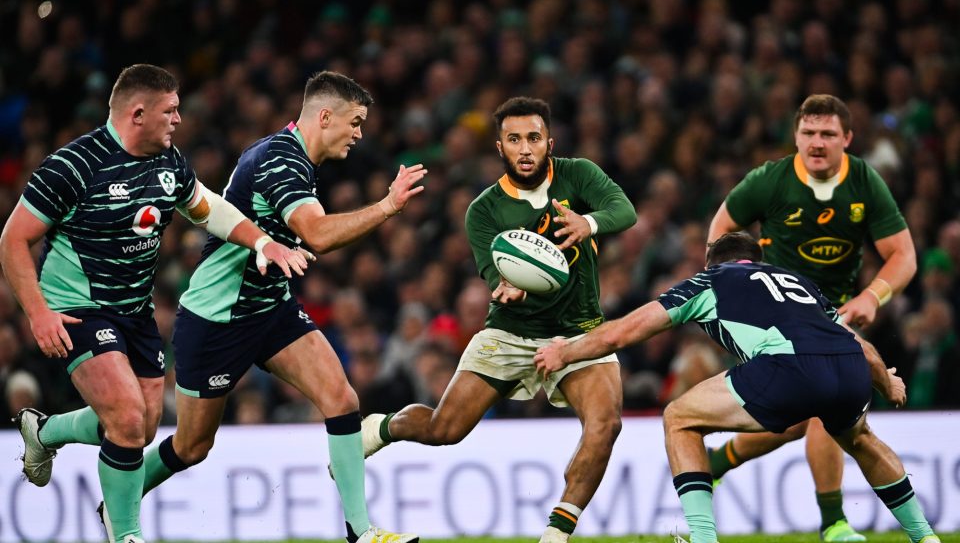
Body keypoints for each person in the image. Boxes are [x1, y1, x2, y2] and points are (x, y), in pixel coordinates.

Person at [107, 71, 424, 543]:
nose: (359, 133)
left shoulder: (294, 157)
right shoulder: (281, 161)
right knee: (192, 446)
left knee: (342, 399)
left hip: (269, 307)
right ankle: (117, 505)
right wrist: (386, 207)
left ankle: (361, 531)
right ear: (324, 116)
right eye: (355, 122)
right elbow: (315, 232)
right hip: (216, 318)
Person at [0, 64, 307, 543]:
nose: (179, 119)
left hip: (135, 312)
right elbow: (12, 239)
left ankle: (46, 432)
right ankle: (127, 535)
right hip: (77, 307)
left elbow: (207, 206)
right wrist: (38, 312)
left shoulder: (169, 162)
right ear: (137, 114)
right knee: (124, 418)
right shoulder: (74, 166)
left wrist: (263, 243)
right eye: (171, 110)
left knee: (141, 429)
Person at [534, 232, 939, 543]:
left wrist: (565, 353)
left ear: (714, 262)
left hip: (788, 366)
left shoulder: (710, 281)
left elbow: (623, 332)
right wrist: (887, 380)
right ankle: (926, 536)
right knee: (862, 438)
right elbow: (857, 344)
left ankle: (703, 537)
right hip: (848, 368)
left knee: (679, 418)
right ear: (755, 260)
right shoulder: (797, 281)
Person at [358, 97, 637, 543]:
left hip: (579, 330)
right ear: (499, 147)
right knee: (443, 429)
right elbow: (492, 269)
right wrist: (505, 283)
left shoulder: (579, 174)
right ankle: (380, 427)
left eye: (533, 138)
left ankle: (556, 535)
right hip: (510, 331)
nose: (525, 148)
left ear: (550, 141)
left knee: (606, 423)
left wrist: (589, 223)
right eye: (514, 140)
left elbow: (625, 211)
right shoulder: (484, 210)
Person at [704, 94, 917, 542]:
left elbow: (903, 255)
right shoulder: (769, 181)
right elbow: (720, 232)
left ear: (848, 139)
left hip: (836, 310)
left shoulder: (864, 181)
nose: (816, 143)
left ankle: (719, 464)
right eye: (808, 133)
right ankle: (834, 523)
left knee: (804, 417)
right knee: (819, 411)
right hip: (778, 314)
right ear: (795, 136)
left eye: (827, 134)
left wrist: (873, 296)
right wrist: (738, 288)